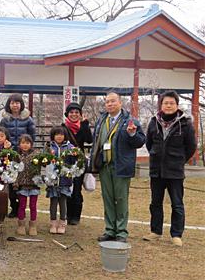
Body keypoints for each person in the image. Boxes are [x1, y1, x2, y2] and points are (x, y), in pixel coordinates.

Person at [90, 91, 145, 243]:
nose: (109, 104)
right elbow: (96, 145)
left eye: (113, 101)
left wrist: (133, 134)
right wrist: (93, 167)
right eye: (107, 102)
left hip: (121, 166)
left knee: (120, 199)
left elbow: (140, 141)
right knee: (107, 199)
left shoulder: (130, 120)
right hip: (104, 166)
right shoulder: (101, 120)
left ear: (121, 103)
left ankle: (121, 231)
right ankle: (110, 230)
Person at [143, 90, 197, 247]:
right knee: (155, 202)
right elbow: (149, 143)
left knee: (177, 203)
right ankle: (156, 231)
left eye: (171, 103)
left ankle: (176, 234)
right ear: (161, 105)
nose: (168, 105)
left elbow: (191, 146)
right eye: (165, 103)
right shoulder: (154, 121)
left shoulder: (185, 123)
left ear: (177, 105)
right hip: (156, 169)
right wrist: (156, 156)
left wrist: (179, 160)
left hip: (175, 170)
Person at [0, 93, 36, 218]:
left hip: (23, 154)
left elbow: (32, 136)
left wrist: (26, 148)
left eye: (17, 102)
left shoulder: (28, 119)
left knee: (22, 181)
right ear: (8, 105)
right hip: (9, 154)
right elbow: (1, 135)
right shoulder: (5, 120)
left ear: (21, 104)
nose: (15, 105)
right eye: (12, 103)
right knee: (10, 182)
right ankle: (14, 208)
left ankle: (21, 208)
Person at [61, 102, 93, 225]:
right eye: (71, 112)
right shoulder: (63, 127)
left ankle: (76, 216)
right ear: (67, 114)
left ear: (79, 114)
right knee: (66, 188)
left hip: (79, 163)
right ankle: (67, 214)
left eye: (76, 112)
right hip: (66, 162)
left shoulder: (82, 126)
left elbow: (89, 140)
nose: (74, 114)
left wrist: (85, 125)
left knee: (77, 190)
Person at [45, 126, 74, 234]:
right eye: (56, 134)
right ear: (53, 136)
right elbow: (44, 161)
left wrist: (74, 153)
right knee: (53, 202)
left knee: (63, 202)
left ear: (65, 136)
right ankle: (53, 223)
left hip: (64, 179)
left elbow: (73, 161)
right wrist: (49, 154)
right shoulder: (49, 146)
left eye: (61, 134)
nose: (59, 137)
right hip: (52, 180)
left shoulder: (69, 146)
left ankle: (62, 223)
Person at [13, 134, 40, 236]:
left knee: (33, 206)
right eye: (23, 143)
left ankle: (33, 226)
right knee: (22, 206)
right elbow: (14, 171)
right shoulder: (16, 156)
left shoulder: (36, 155)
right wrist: (15, 184)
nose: (25, 145)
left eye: (27, 143)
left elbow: (44, 163)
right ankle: (21, 225)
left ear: (31, 144)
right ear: (19, 144)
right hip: (22, 185)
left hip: (33, 184)